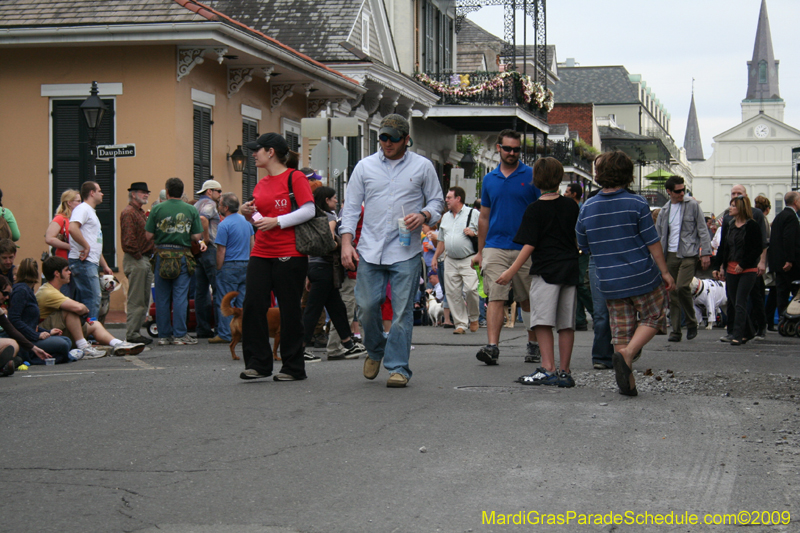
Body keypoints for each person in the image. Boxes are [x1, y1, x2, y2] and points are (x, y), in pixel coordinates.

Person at [341, 114, 444, 388]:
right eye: (383, 137)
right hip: (370, 250)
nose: (387, 143)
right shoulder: (364, 166)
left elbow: (437, 201)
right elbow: (350, 208)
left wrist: (423, 215)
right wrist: (346, 243)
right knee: (366, 307)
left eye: (393, 138)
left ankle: (398, 366)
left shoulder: (423, 166)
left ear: (406, 140)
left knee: (401, 311)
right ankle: (375, 349)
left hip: (406, 250)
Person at [576, 150, 675, 397]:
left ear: (599, 175)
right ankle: (628, 354)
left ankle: (628, 384)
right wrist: (665, 272)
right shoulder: (638, 203)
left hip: (609, 280)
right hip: (641, 274)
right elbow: (652, 242)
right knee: (654, 314)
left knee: (620, 328)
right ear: (628, 175)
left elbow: (582, 243)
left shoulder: (588, 206)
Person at [238, 133, 315, 381]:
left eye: (256, 149)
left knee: (290, 310)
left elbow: (309, 210)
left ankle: (293, 367)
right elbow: (261, 220)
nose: (253, 154)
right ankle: (258, 363)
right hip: (261, 251)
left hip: (289, 253)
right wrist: (248, 213)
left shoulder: (296, 177)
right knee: (252, 306)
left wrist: (278, 221)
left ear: (270, 152)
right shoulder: (261, 183)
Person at [497, 158, 580, 387]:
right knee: (566, 323)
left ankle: (548, 368)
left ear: (536, 180)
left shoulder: (534, 209)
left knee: (542, 321)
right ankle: (565, 371)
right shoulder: (571, 205)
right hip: (569, 268)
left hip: (546, 270)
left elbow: (529, 245)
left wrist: (510, 271)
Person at [471, 129, 541, 366]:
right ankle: (493, 347)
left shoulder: (531, 176)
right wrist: (480, 251)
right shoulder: (489, 179)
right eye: (508, 148)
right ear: (498, 148)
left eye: (516, 149)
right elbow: (484, 217)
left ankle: (533, 343)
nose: (512, 153)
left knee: (527, 299)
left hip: (525, 247)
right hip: (495, 246)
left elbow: (541, 210)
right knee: (495, 297)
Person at [302, 187, 366, 361]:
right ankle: (300, 348)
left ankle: (347, 344)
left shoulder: (309, 217)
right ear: (326, 200)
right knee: (313, 310)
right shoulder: (328, 217)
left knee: (336, 307)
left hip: (314, 266)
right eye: (334, 198)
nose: (336, 201)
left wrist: (309, 274)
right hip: (325, 268)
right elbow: (329, 241)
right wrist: (341, 245)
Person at [36, 256, 144, 357]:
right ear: (57, 274)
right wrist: (83, 309)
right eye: (66, 270)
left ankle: (119, 344)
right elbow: (78, 308)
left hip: (56, 329)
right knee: (70, 311)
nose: (70, 272)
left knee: (94, 324)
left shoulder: (52, 290)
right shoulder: (48, 292)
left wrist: (81, 310)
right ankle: (84, 348)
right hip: (45, 332)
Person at [145, 177, 205, 346]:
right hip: (182, 256)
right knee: (180, 296)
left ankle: (164, 335)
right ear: (182, 192)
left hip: (162, 255)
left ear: (168, 192)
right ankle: (180, 334)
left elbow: (148, 236)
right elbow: (197, 236)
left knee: (162, 297)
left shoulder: (157, 208)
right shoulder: (191, 209)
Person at [655, 176, 712, 342]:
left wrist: (706, 252)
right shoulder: (664, 211)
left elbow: (703, 228)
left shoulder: (692, 205)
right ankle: (676, 331)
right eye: (678, 191)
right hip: (670, 255)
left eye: (683, 190)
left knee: (681, 287)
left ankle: (691, 321)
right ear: (669, 192)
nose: (682, 193)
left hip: (688, 253)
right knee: (672, 293)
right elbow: (658, 236)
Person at [717, 184, 769, 341]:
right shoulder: (729, 222)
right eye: (732, 193)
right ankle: (747, 330)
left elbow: (759, 245)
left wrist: (759, 262)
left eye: (737, 195)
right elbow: (724, 247)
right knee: (734, 301)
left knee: (746, 299)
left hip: (747, 267)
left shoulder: (754, 221)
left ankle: (741, 334)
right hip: (731, 267)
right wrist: (719, 266)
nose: (733, 197)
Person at [433, 186, 480, 334]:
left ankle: (474, 317)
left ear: (458, 199)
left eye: (449, 197)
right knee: (452, 293)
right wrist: (435, 257)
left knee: (471, 289)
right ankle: (460, 324)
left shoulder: (473, 213)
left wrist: (474, 234)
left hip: (468, 258)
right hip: (450, 259)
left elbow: (486, 234)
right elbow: (442, 240)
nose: (446, 200)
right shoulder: (445, 217)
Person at [7, 259, 73, 363]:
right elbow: (14, 320)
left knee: (67, 341)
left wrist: (48, 332)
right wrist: (36, 335)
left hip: (30, 336)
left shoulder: (28, 290)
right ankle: (35, 356)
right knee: (63, 344)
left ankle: (55, 356)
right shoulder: (21, 291)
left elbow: (29, 323)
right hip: (25, 340)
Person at [211, 193, 254, 344]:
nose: (219, 207)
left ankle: (225, 333)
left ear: (226, 207)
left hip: (230, 265)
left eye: (220, 205)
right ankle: (243, 331)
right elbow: (252, 244)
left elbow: (221, 250)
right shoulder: (247, 222)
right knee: (242, 302)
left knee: (225, 301)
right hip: (246, 263)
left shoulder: (224, 224)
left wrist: (218, 268)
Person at [69, 181, 113, 320]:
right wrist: (86, 246)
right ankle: (91, 335)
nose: (102, 193)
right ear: (92, 193)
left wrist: (104, 265)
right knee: (93, 297)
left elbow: (95, 243)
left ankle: (87, 333)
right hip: (83, 262)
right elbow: (72, 228)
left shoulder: (91, 212)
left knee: (89, 298)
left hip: (90, 262)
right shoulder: (82, 209)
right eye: (99, 190)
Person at [120, 182, 154, 345]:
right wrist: (139, 255)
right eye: (142, 192)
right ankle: (132, 333)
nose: (146, 195)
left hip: (142, 258)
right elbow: (128, 240)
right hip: (136, 258)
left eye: (146, 192)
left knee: (143, 298)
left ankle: (135, 332)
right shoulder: (129, 213)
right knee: (136, 299)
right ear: (133, 194)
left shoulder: (138, 212)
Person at [193, 179, 223, 338]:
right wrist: (205, 239)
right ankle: (220, 329)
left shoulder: (195, 205)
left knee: (201, 291)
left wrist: (199, 242)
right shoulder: (210, 204)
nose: (220, 194)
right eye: (219, 191)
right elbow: (203, 219)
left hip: (198, 251)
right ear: (209, 191)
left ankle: (202, 328)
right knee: (217, 289)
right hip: (210, 249)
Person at [766, 191, 800, 321]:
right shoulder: (791, 217)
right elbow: (789, 239)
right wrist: (790, 259)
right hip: (790, 263)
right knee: (795, 292)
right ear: (796, 202)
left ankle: (782, 318)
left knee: (781, 293)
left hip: (777, 263)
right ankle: (793, 317)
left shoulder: (779, 217)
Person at [564, 182, 593, 331]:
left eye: (567, 192)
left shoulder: (582, 209)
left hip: (581, 250)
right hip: (572, 250)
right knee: (576, 283)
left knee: (581, 283)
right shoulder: (570, 208)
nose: (564, 194)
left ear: (574, 194)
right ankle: (580, 319)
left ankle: (596, 313)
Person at [44, 189, 81, 261]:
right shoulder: (60, 218)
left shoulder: (75, 219)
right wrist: (69, 246)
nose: (81, 203)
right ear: (69, 202)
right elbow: (49, 238)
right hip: (63, 260)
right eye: (78, 201)